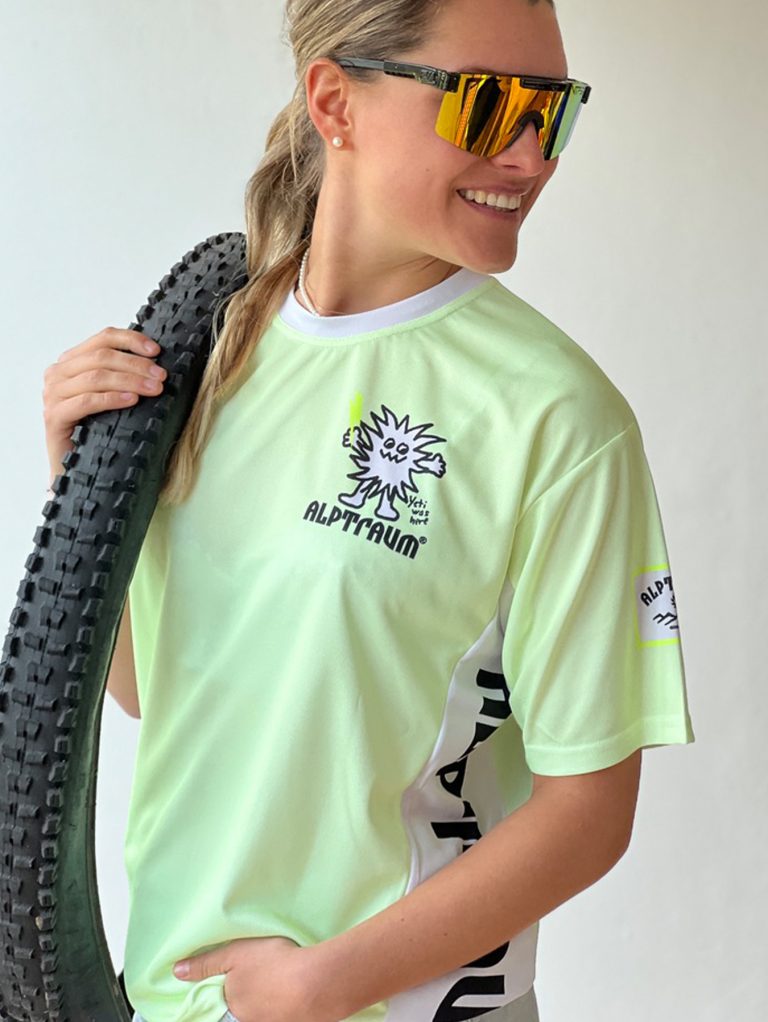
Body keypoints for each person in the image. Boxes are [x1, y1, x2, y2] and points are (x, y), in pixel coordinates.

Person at [43, 1, 696, 1021]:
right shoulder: (209, 353)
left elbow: (588, 812)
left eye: (552, 111)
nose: (531, 156)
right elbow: (153, 693)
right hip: (174, 999)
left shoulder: (559, 420)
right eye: (488, 105)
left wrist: (323, 984)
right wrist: (80, 500)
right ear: (336, 103)